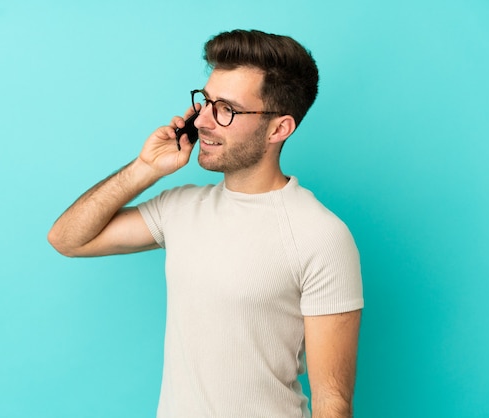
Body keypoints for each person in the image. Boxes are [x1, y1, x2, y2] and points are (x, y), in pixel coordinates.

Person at [48, 29, 364, 418]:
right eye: (206, 102)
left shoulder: (320, 236)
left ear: (279, 129)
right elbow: (67, 239)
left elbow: (333, 401)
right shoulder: (179, 209)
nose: (203, 122)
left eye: (226, 109)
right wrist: (145, 169)